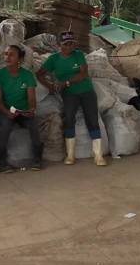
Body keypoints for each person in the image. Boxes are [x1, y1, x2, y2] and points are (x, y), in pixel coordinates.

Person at [37, 31, 107, 166]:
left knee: (92, 119)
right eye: (66, 44)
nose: (69, 47)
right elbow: (39, 74)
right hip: (69, 94)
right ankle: (70, 155)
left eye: (72, 44)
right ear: (59, 45)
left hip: (86, 91)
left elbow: (83, 74)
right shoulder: (53, 59)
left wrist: (66, 83)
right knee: (69, 119)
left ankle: (98, 156)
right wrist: (49, 86)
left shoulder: (78, 55)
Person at [0, 45, 43, 172]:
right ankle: (1, 161)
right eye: (5, 54)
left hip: (23, 111)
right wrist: (6, 112)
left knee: (33, 125)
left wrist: (31, 109)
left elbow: (31, 98)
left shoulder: (27, 76)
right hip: (5, 111)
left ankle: (37, 159)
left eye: (11, 54)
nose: (7, 57)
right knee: (6, 125)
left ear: (19, 58)